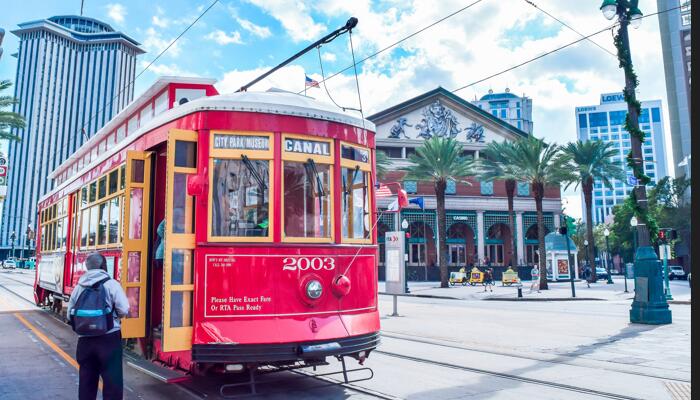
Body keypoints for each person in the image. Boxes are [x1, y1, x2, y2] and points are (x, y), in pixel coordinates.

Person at [67, 252, 129, 400]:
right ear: (104, 266)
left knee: (86, 382)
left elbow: (70, 315)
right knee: (112, 383)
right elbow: (124, 309)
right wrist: (114, 317)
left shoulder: (79, 286)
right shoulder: (111, 284)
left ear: (87, 267)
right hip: (109, 338)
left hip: (85, 341)